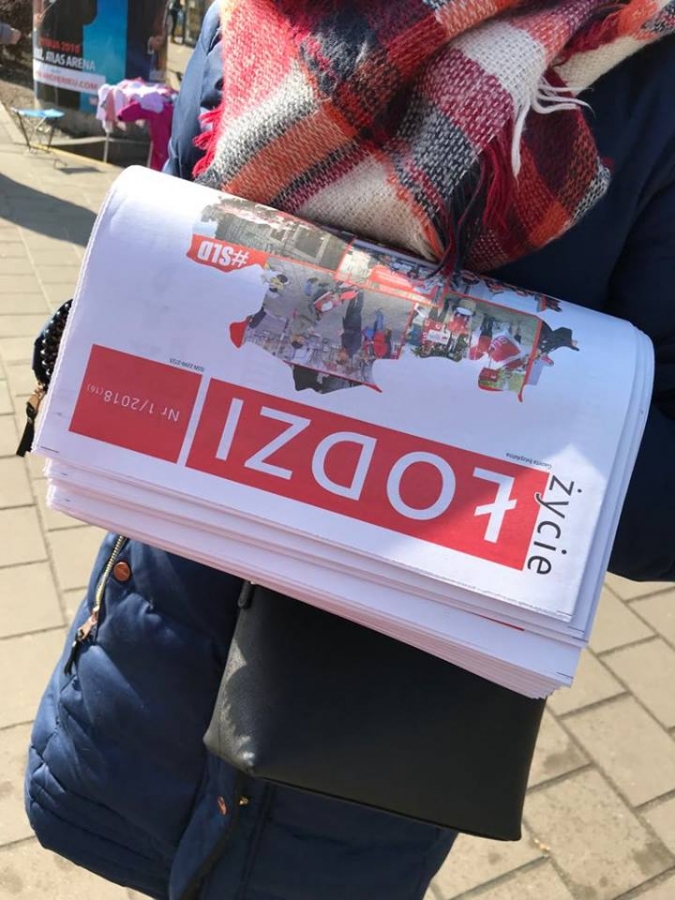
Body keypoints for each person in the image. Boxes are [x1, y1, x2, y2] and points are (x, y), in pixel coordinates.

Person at [25, 3, 675, 900]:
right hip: (142, 685)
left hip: (363, 768)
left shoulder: (648, 79)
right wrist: (104, 326)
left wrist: (455, 386)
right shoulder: (248, 15)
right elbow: (172, 235)